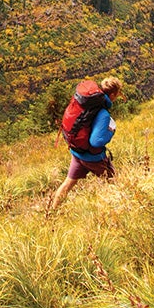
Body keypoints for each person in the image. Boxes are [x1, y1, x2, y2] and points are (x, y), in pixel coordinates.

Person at [49, 75, 122, 211]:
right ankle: (118, 212)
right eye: (117, 94)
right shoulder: (103, 113)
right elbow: (96, 141)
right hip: (92, 157)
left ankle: (52, 211)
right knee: (114, 182)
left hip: (77, 152)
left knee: (68, 183)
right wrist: (111, 131)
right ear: (112, 95)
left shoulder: (86, 104)